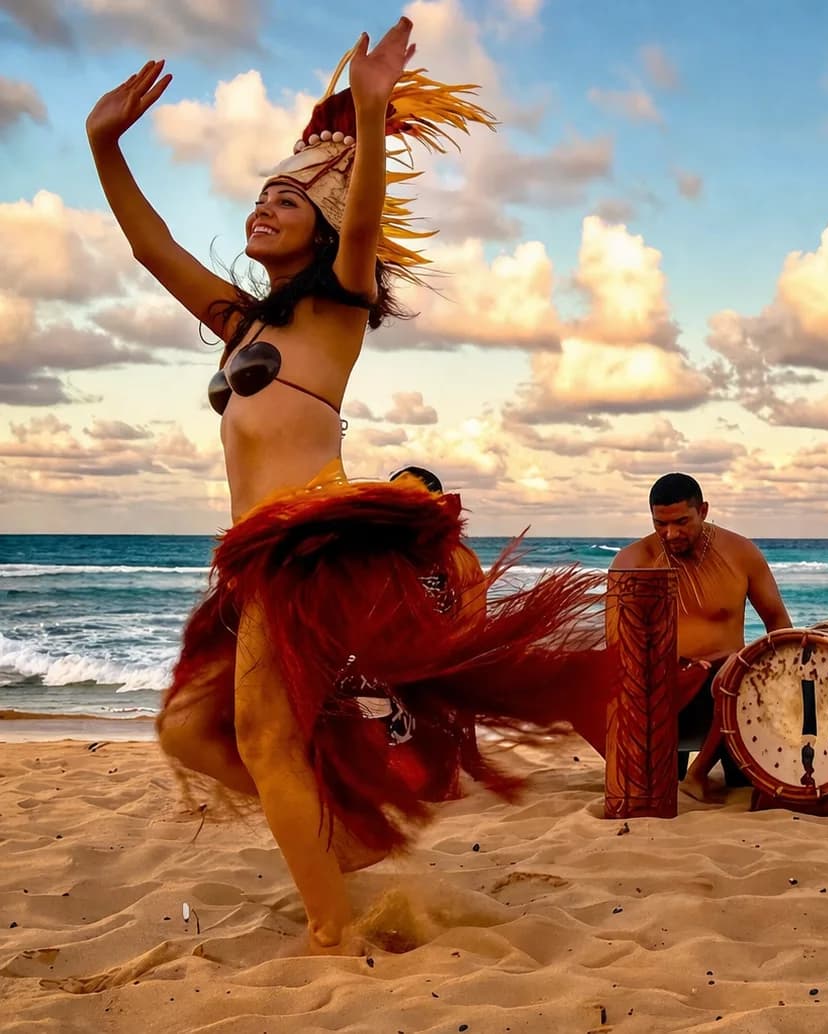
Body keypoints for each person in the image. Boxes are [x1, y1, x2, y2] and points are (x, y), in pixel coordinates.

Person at [91, 20, 608, 955]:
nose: (266, 206)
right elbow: (150, 246)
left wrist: (370, 115)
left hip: (312, 551)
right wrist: (103, 146)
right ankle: (348, 841)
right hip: (256, 565)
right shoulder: (241, 325)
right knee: (186, 730)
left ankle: (333, 930)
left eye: (290, 199)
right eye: (261, 195)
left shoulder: (333, 311)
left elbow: (363, 218)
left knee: (261, 735)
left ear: (322, 227)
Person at [609, 473, 792, 800]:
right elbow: (617, 641)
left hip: (733, 690)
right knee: (654, 781)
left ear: (703, 510)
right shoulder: (634, 560)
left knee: (743, 781)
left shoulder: (740, 553)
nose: (670, 533)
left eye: (681, 522)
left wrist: (786, 679)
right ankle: (687, 772)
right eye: (660, 524)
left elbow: (777, 621)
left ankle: (699, 773)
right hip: (663, 690)